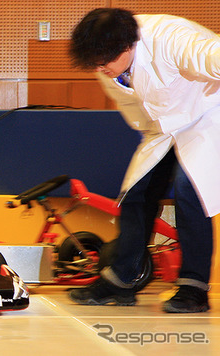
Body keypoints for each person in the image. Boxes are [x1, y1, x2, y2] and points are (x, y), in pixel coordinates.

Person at [67, 8, 220, 313]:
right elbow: (139, 110)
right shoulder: (108, 64)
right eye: (95, 63)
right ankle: (122, 279)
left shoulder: (170, 37)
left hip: (210, 116)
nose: (101, 68)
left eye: (104, 61)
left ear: (127, 46)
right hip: (165, 127)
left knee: (191, 191)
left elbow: (210, 55)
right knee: (137, 192)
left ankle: (193, 287)